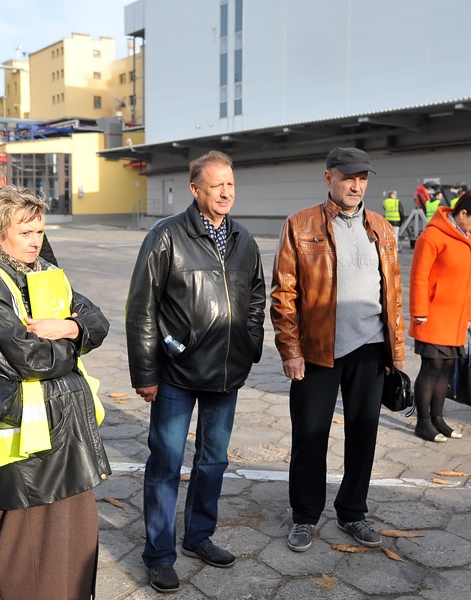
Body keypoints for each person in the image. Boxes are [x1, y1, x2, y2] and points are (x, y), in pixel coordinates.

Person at [0, 187, 110, 599]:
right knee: (29, 539)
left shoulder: (42, 271)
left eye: (39, 230)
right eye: (24, 232)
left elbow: (97, 319)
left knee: (73, 530)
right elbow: (32, 359)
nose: (35, 240)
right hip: (20, 433)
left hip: (60, 423)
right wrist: (74, 338)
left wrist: (69, 329)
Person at [125, 150, 266, 593]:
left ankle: (199, 537)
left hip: (227, 372)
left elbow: (258, 296)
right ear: (195, 190)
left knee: (214, 460)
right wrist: (145, 372)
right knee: (166, 463)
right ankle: (160, 554)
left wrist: (249, 342)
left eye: (231, 184)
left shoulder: (244, 239)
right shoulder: (166, 236)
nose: (226, 192)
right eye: (217, 185)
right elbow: (141, 307)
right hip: (176, 373)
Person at [271, 147, 405, 553]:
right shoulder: (301, 224)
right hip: (316, 350)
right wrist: (290, 349)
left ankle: (353, 512)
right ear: (328, 177)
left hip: (370, 349)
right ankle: (305, 516)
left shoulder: (381, 227)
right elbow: (284, 294)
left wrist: (396, 353)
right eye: (348, 177)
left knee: (364, 435)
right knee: (310, 436)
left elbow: (393, 293)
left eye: (362, 178)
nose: (356, 185)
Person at [409, 191, 471, 442]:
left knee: (446, 367)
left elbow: (470, 282)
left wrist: (469, 314)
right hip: (432, 313)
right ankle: (423, 422)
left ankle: (438, 418)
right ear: (462, 213)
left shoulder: (470, 239)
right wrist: (419, 311)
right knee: (431, 366)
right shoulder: (432, 236)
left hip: (455, 316)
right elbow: (419, 276)